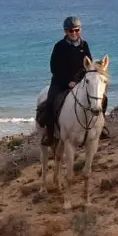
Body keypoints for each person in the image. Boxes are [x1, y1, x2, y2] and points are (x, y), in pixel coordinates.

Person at [41, 16, 93, 147]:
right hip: (60, 82)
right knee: (50, 103)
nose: (74, 33)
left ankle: (99, 128)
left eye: (76, 30)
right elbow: (54, 68)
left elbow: (89, 65)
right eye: (71, 31)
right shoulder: (59, 46)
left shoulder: (84, 45)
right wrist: (67, 82)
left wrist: (80, 81)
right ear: (65, 32)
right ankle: (50, 134)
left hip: (80, 82)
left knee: (100, 99)